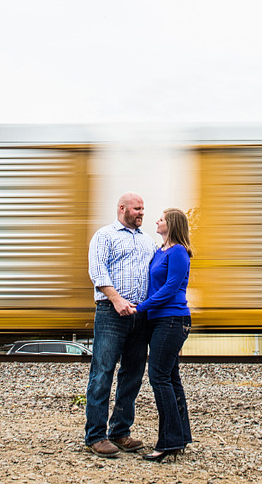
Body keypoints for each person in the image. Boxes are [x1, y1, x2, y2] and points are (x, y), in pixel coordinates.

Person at [84, 192, 156, 458]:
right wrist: (116, 299)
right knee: (102, 372)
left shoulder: (147, 241)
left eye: (143, 209)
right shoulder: (105, 236)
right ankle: (95, 436)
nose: (141, 213)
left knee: (133, 374)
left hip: (140, 315)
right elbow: (97, 271)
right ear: (122, 208)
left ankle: (120, 432)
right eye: (137, 208)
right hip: (111, 313)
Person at [134, 208, 194, 462]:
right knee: (170, 377)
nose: (156, 221)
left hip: (172, 319)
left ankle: (168, 442)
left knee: (159, 377)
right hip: (159, 320)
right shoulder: (160, 251)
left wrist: (140, 307)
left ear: (172, 224)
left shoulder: (179, 251)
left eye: (161, 218)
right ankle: (178, 438)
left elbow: (171, 288)